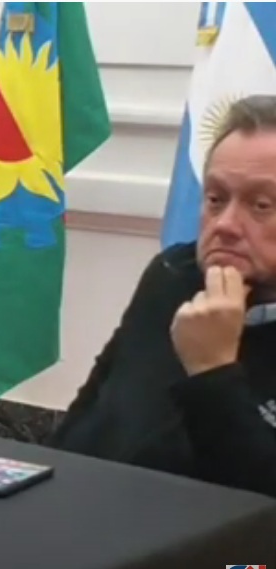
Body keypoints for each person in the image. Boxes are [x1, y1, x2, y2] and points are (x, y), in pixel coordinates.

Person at [50, 94, 276, 498]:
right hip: (90, 516)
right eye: (215, 199)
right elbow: (91, 415)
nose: (225, 225)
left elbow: (258, 500)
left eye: (260, 205)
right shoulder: (173, 275)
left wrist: (213, 372)